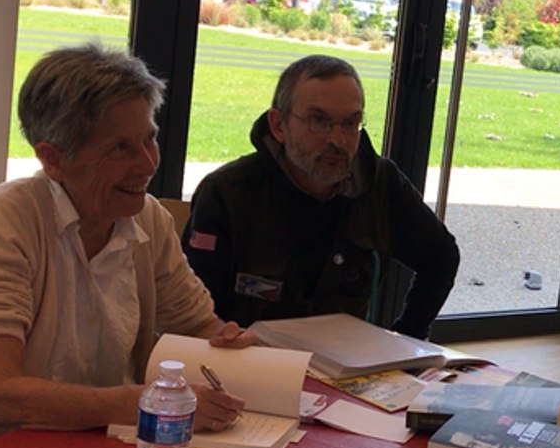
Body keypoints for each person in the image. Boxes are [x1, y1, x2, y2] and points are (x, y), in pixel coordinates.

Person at [0, 44, 254, 448]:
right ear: (53, 159)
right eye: (120, 149)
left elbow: (201, 327)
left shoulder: (148, 219)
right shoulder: (0, 226)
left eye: (150, 139)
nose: (147, 164)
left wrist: (230, 345)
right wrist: (141, 403)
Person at [183, 55, 459, 340]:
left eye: (350, 123)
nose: (337, 141)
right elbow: (192, 314)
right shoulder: (227, 193)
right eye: (319, 121)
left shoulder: (381, 184)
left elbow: (441, 256)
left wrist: (407, 337)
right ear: (279, 125)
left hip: (348, 367)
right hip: (253, 368)